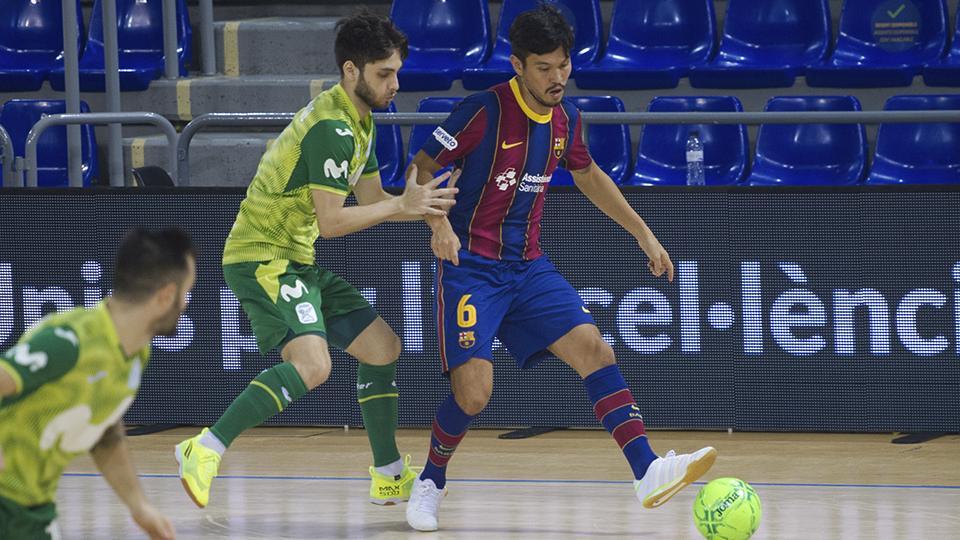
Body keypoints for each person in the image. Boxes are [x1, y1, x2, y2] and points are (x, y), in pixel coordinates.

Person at [404, 5, 717, 531]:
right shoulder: (483, 112)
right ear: (518, 65)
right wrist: (438, 224)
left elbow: (589, 174)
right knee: (474, 393)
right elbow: (421, 166)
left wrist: (643, 233)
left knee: (594, 347)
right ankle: (431, 481)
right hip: (471, 268)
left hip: (527, 267)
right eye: (544, 68)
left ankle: (647, 471)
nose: (556, 78)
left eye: (563, 65)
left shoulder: (566, 120)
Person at [174, 12, 458, 509]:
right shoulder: (331, 128)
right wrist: (399, 206)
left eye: (396, 71)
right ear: (352, 71)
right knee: (313, 365)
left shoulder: (361, 121)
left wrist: (426, 212)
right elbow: (333, 221)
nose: (396, 83)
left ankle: (390, 474)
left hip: (296, 259)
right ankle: (205, 447)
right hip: (262, 256)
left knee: (383, 347)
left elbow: (374, 199)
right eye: (384, 74)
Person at [0, 227, 196, 540]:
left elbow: (104, 431)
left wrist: (139, 506)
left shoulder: (134, 354)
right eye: (187, 293)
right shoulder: (69, 341)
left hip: (33, 512)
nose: (186, 304)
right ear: (165, 296)